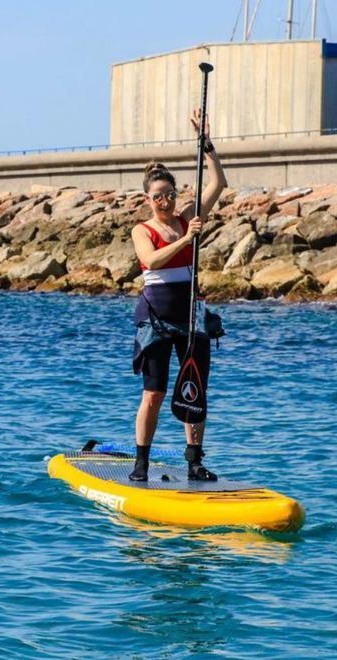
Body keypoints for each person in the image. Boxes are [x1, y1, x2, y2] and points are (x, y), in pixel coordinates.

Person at [129, 110, 228, 482]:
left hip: (191, 317)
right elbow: (149, 259)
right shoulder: (144, 230)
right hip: (155, 318)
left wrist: (206, 143)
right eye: (158, 197)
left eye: (170, 195)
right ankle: (142, 462)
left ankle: (194, 461)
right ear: (148, 198)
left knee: (193, 389)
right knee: (153, 394)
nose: (165, 202)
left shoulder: (189, 215)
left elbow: (218, 183)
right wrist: (187, 240)